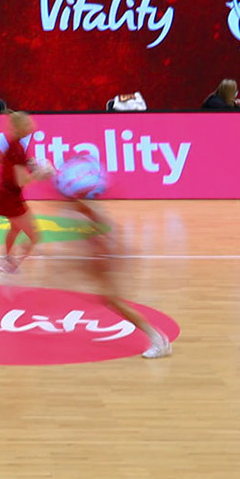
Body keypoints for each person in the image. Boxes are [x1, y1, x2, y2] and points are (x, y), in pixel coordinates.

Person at [47, 153, 174, 359]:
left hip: (107, 261)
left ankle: (158, 340)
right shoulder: (84, 208)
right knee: (103, 298)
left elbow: (105, 242)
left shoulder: (88, 212)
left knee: (116, 302)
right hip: (103, 260)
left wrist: (99, 259)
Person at [0, 111, 47, 278]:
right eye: (28, 123)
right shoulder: (17, 148)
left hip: (5, 195)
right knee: (35, 236)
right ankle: (10, 265)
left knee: (15, 228)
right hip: (11, 198)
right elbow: (21, 181)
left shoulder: (13, 145)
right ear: (21, 127)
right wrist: (41, 174)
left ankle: (6, 259)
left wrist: (31, 163)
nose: (32, 126)